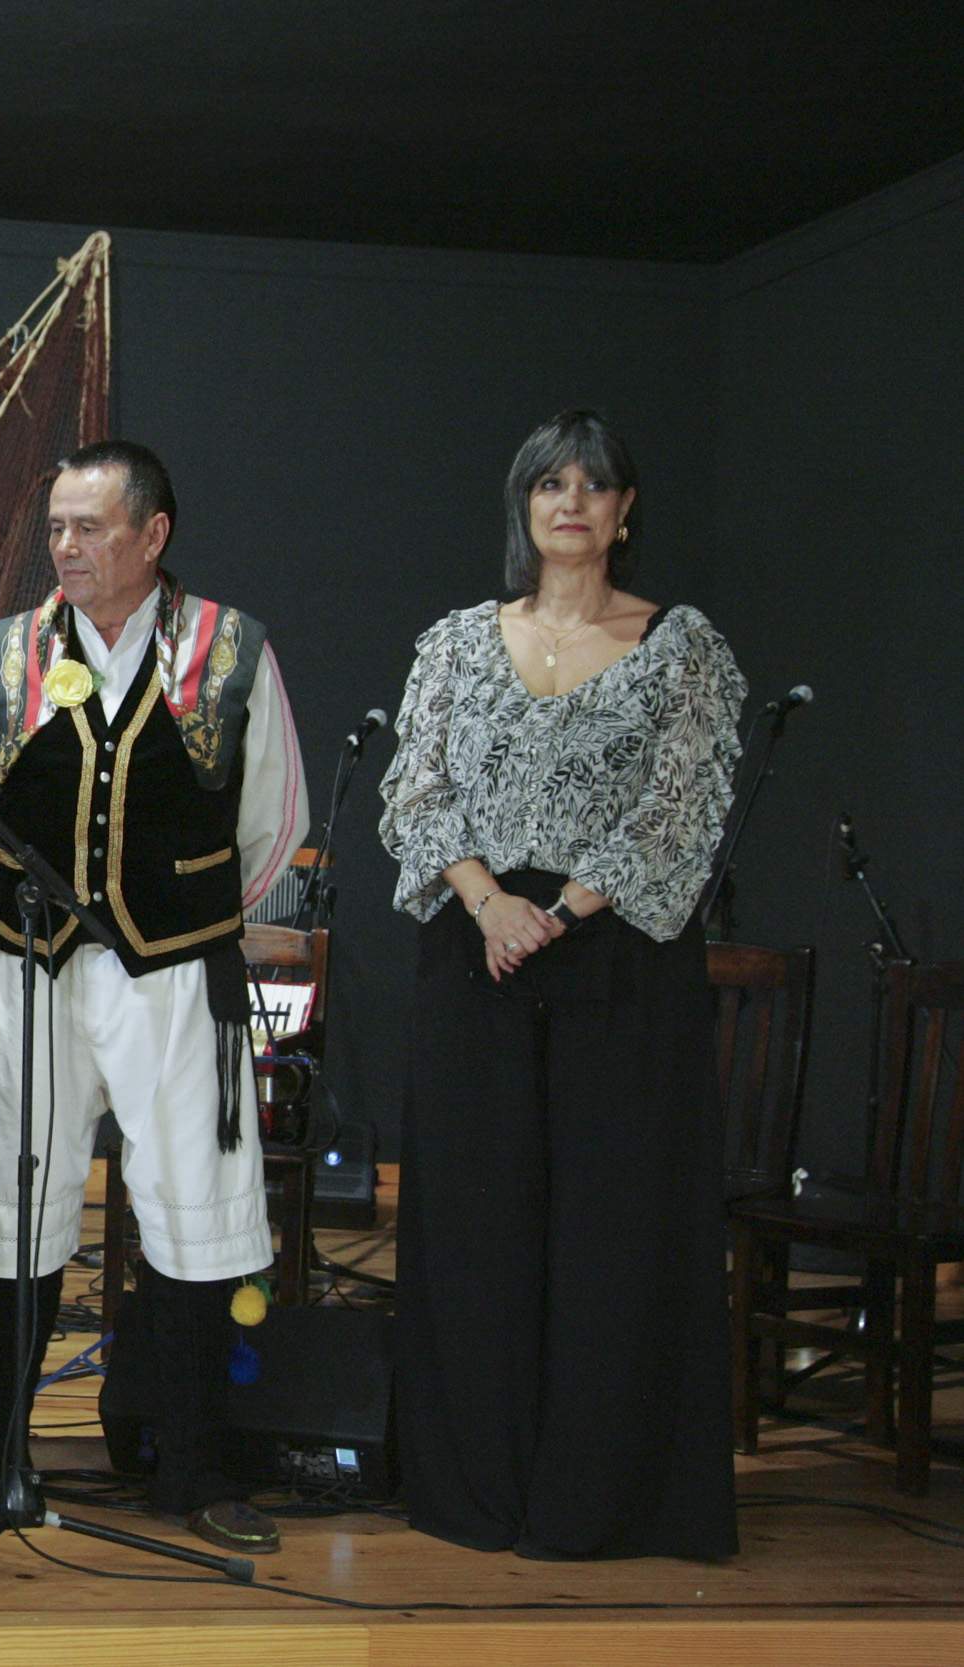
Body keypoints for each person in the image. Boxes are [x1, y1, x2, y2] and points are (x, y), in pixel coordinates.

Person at [0, 440, 304, 1555]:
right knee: (8, 1199)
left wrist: (182, 915)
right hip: (37, 971)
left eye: (89, 527)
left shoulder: (228, 650)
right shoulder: (10, 651)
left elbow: (272, 821)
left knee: (192, 1205)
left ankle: (192, 1466)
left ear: (153, 534)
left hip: (177, 971)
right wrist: (24, 921)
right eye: (55, 530)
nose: (67, 548)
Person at [377, 409, 743, 1560]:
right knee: (477, 1230)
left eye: (593, 485)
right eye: (549, 484)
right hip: (473, 953)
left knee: (611, 1232)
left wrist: (560, 910)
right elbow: (415, 790)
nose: (570, 501)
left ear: (625, 511)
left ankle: (600, 1499)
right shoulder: (453, 640)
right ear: (523, 506)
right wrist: (489, 903)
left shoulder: (680, 646)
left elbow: (680, 809)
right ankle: (471, 1487)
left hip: (620, 960)